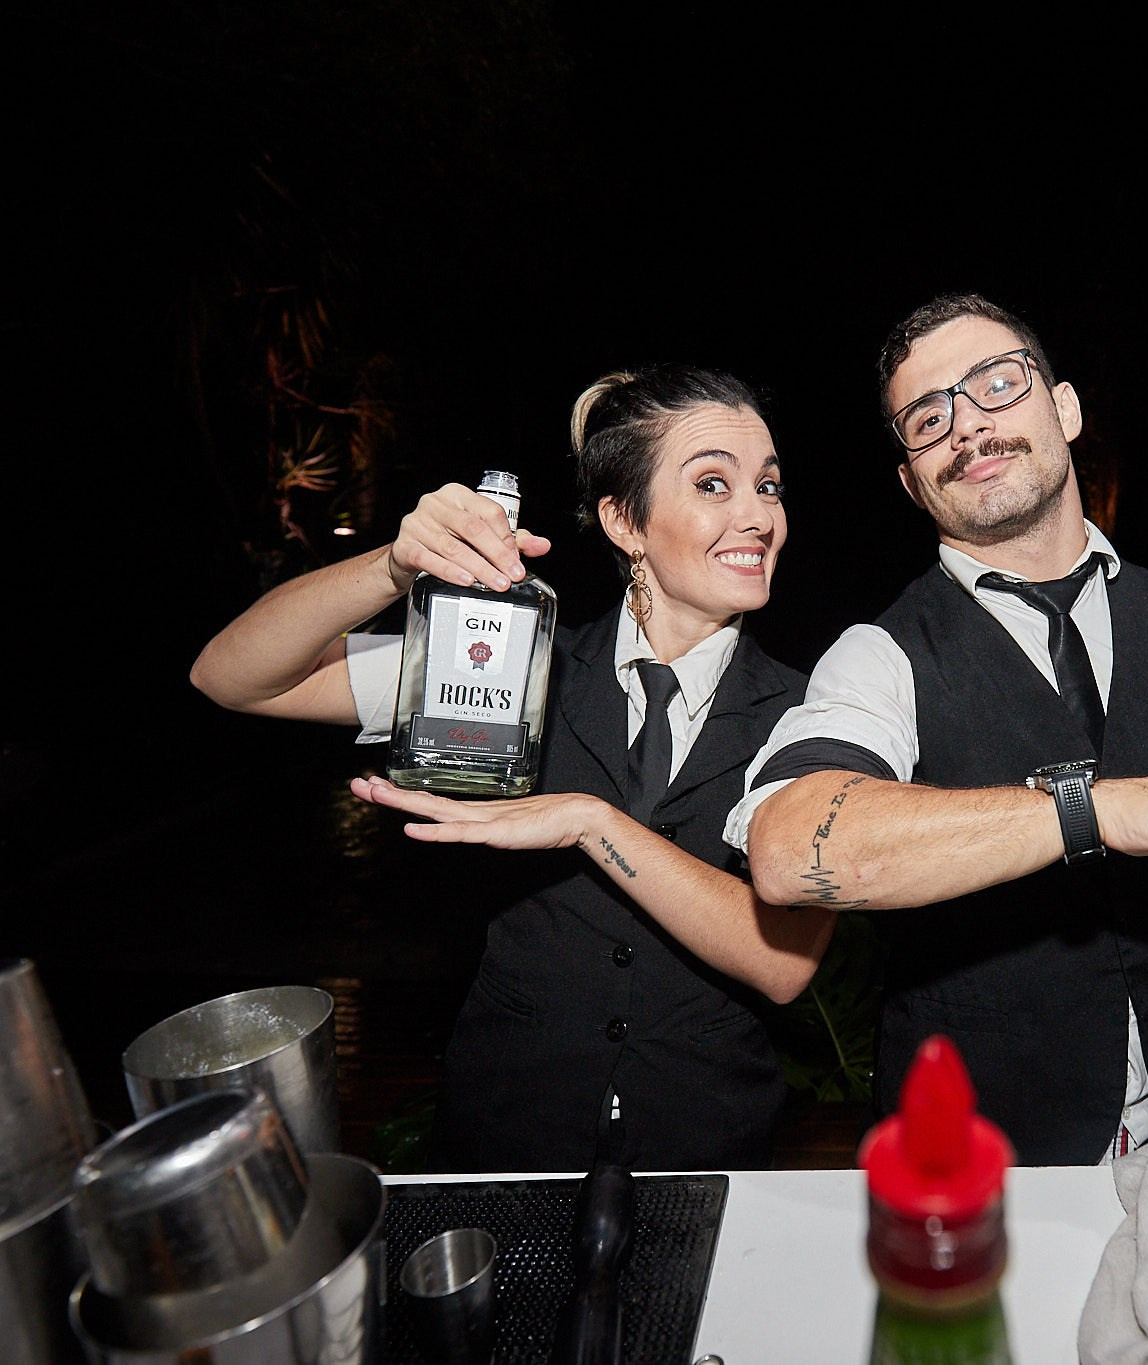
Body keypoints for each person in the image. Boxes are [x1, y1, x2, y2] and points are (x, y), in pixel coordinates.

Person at [727, 295, 1148, 1168]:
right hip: (976, 1167)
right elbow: (785, 846)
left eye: (997, 383)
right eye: (929, 419)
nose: (968, 425)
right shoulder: (880, 655)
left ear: (1064, 409)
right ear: (912, 481)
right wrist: (1092, 810)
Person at [190, 365, 832, 1172]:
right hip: (508, 1146)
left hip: (704, 1155)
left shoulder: (811, 713)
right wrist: (392, 567)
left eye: (769, 486)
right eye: (713, 483)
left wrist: (589, 821)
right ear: (624, 520)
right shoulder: (506, 663)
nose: (758, 515)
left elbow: (782, 962)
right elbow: (234, 678)